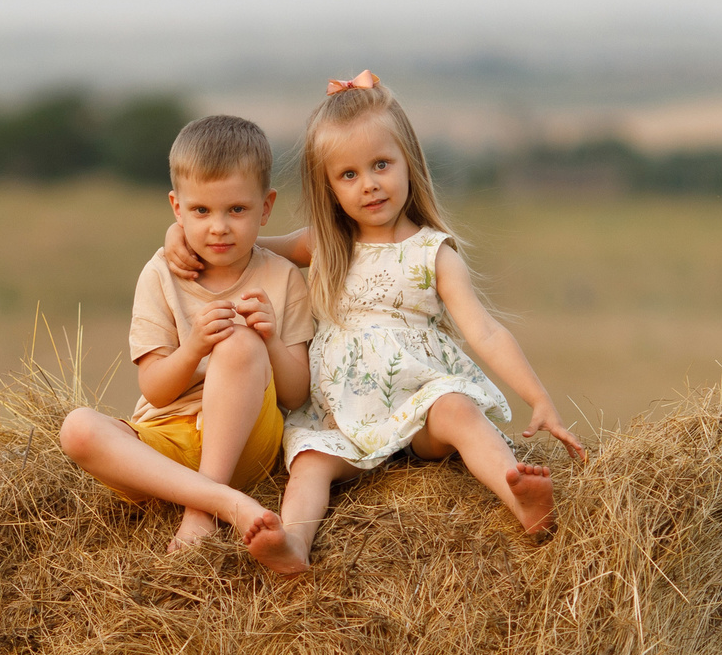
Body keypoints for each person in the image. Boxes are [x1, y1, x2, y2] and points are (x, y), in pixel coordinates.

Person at [168, 72, 586, 573]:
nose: (368, 184)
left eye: (381, 165)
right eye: (347, 175)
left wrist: (538, 399)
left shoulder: (433, 253)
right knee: (307, 465)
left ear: (409, 160)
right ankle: (294, 545)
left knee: (456, 410)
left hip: (418, 406)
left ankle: (520, 496)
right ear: (329, 187)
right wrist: (179, 235)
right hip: (340, 417)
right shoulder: (322, 244)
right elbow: (240, 246)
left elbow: (486, 332)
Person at [58, 114, 314, 553]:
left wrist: (269, 340)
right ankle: (222, 501)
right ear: (177, 209)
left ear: (266, 207)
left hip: (248, 440)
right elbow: (155, 390)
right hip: (169, 438)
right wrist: (194, 345)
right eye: (201, 211)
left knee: (238, 340)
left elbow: (295, 396)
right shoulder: (160, 275)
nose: (219, 227)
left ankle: (200, 511)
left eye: (237, 209)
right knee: (77, 429)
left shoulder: (283, 278)